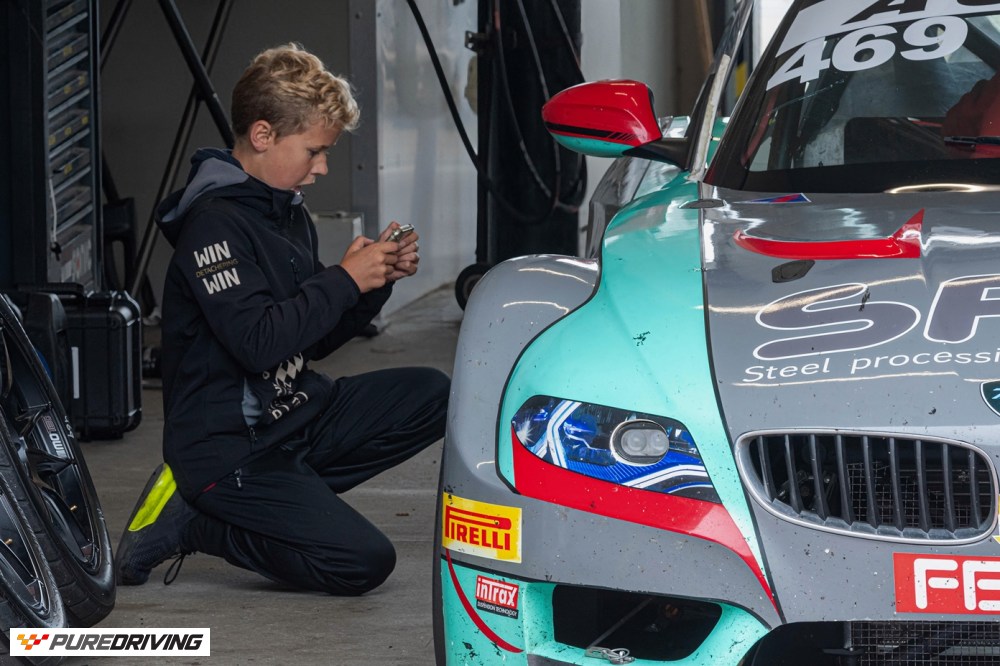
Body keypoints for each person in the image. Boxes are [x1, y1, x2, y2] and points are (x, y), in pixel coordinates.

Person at [114, 43, 450, 595]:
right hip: (227, 448)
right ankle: (197, 523)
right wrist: (343, 279)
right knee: (363, 562)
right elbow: (258, 342)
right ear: (263, 135)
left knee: (433, 393)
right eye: (314, 151)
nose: (321, 168)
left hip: (292, 415)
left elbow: (308, 341)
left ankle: (284, 502)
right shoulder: (213, 226)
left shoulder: (285, 213)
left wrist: (372, 284)